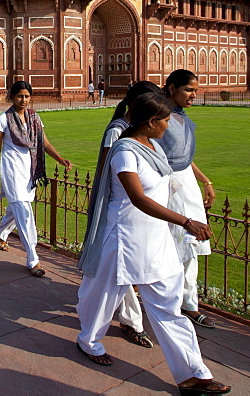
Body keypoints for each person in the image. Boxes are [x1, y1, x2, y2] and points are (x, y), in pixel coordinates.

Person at [75, 93, 230, 395]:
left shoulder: (154, 146)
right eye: (165, 120)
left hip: (157, 240)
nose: (168, 125)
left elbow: (165, 184)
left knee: (169, 307)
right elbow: (139, 198)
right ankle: (88, 340)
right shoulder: (124, 153)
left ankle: (193, 374)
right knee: (102, 296)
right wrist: (186, 221)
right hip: (126, 238)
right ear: (150, 122)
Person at [90, 81, 166, 349]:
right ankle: (126, 324)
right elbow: (109, 174)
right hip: (122, 211)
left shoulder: (138, 132)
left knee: (123, 273)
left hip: (139, 216)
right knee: (118, 273)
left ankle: (128, 321)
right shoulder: (119, 132)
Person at [0, 81, 72, 276]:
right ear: (12, 97)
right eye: (19, 96)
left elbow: (44, 142)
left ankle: (1, 232)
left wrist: (59, 158)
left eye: (26, 96)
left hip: (29, 168)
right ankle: (33, 258)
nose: (23, 100)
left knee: (18, 207)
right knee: (24, 211)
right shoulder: (3, 119)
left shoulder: (34, 118)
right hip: (12, 168)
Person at [158, 69, 218, 329]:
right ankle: (170, 302)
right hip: (169, 187)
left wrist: (206, 181)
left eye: (195, 90)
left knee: (190, 247)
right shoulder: (159, 117)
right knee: (174, 246)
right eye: (189, 90)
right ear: (172, 88)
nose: (195, 95)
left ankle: (189, 303)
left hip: (187, 186)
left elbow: (184, 158)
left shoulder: (180, 116)